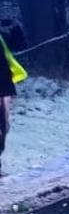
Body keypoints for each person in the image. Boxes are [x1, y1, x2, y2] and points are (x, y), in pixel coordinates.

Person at [0, 21, 26, 176]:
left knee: (4, 126)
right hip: (3, 86)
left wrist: (16, 26)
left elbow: (20, 46)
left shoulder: (2, 35)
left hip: (3, 87)